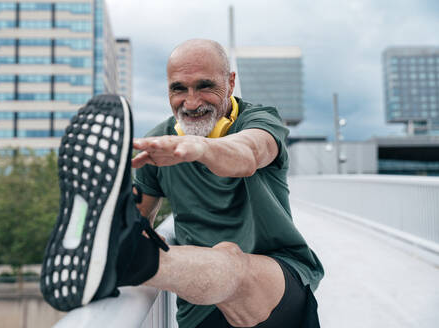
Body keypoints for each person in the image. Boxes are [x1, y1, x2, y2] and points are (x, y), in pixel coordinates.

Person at [41, 39, 323, 328]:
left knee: (231, 258)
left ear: (231, 82)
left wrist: (199, 147)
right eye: (179, 89)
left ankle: (132, 261)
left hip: (275, 282)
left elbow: (249, 153)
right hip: (201, 298)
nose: (191, 102)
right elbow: (139, 217)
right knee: (143, 242)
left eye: (204, 86)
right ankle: (124, 258)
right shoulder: (159, 143)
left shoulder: (260, 121)